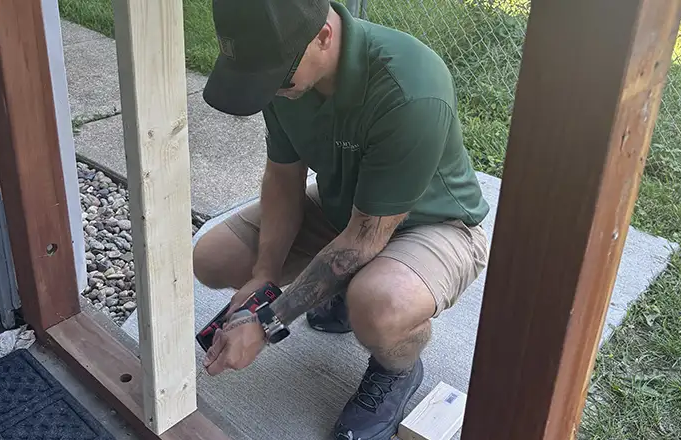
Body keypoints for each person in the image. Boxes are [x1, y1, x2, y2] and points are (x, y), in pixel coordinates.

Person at [194, 0, 490, 437]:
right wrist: (264, 276)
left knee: (380, 305)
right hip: (349, 213)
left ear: (324, 36)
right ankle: (342, 288)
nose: (272, 91)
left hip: (435, 224)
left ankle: (398, 369)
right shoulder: (285, 75)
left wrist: (268, 322)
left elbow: (366, 238)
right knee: (213, 258)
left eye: (277, 79)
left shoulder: (410, 87)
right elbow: (282, 177)